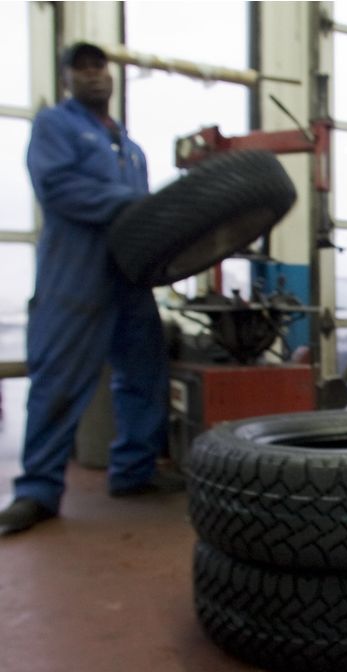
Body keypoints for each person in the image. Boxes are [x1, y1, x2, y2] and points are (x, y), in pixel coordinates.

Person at [0, 41, 183, 536]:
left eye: (98, 65)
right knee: (57, 382)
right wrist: (135, 206)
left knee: (144, 375)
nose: (93, 75)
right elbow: (58, 188)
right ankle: (36, 492)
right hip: (74, 276)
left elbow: (146, 220)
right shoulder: (56, 126)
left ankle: (133, 473)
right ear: (66, 81)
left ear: (111, 74)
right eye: (80, 69)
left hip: (129, 276)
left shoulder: (131, 147)